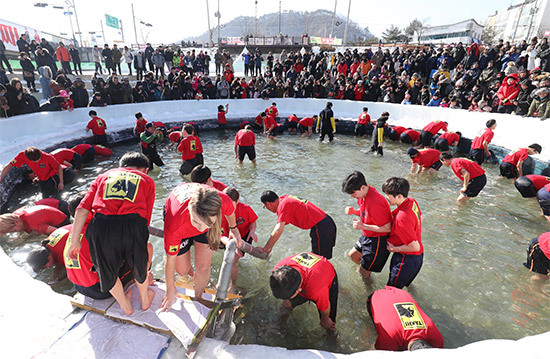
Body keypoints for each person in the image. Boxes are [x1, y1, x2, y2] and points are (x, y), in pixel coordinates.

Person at [67, 152, 155, 316]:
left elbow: (82, 209)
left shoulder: (103, 176)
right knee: (139, 264)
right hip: (133, 223)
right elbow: (146, 216)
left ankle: (125, 306)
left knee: (107, 268)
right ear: (146, 169)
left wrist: (74, 242)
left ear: (121, 166)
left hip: (101, 224)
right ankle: (144, 300)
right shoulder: (146, 180)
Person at [161, 182, 242, 310]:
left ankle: (198, 296)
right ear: (189, 209)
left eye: (206, 224)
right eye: (197, 222)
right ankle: (189, 272)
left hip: (204, 218)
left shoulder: (223, 201)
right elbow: (170, 258)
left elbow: (230, 212)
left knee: (203, 266)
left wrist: (233, 229)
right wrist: (170, 288)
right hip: (181, 223)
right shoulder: (174, 225)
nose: (200, 229)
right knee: (181, 270)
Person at [341, 171, 391, 279]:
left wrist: (363, 226)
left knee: (363, 272)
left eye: (353, 193)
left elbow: (387, 228)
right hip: (368, 234)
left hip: (378, 240)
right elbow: (367, 212)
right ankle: (365, 269)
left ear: (362, 187)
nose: (351, 196)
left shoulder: (376, 202)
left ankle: (368, 286)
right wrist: (354, 211)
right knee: (353, 256)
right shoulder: (363, 195)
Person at [270, 252, 338, 331]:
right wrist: (286, 300)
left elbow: (325, 307)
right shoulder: (277, 272)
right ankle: (280, 327)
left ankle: (332, 335)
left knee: (329, 323)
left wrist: (325, 320)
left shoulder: (316, 290)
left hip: (325, 272)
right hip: (306, 272)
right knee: (286, 306)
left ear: (299, 291)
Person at [260, 191, 337, 259]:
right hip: (327, 222)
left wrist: (265, 248)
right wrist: (270, 247)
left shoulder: (283, 205)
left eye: (265, 207)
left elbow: (278, 230)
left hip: (321, 227)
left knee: (319, 260)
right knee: (322, 258)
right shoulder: (285, 198)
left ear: (268, 204)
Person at [367, 286, 444, 351]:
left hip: (400, 293)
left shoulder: (436, 336)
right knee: (375, 331)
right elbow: (379, 353)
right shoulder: (391, 337)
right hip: (375, 298)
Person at [381, 177, 424, 288]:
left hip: (405, 259)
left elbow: (415, 247)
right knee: (406, 285)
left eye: (388, 195)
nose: (386, 197)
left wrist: (394, 249)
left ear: (399, 196)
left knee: (392, 289)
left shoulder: (402, 218)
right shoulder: (411, 201)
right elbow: (421, 218)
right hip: (417, 259)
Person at [223, 187, 258, 281]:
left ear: (237, 201)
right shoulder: (220, 211)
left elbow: (252, 222)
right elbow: (219, 234)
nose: (227, 208)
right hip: (227, 238)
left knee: (232, 260)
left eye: (230, 204)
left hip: (244, 236)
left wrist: (252, 231)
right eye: (224, 204)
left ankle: (233, 284)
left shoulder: (245, 208)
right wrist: (231, 244)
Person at [0, 205, 68, 237]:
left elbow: (58, 232)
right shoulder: (16, 216)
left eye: (13, 230)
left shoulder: (32, 222)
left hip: (61, 222)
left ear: (16, 222)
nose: (16, 231)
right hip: (53, 212)